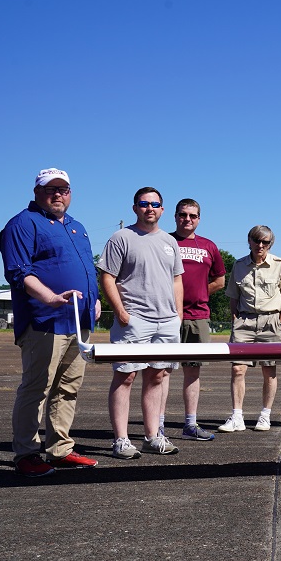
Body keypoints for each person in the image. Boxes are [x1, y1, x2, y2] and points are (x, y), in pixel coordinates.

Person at [0, 168, 101, 476]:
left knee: (68, 388)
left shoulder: (76, 226)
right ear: (37, 192)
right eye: (51, 189)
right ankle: (26, 453)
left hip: (77, 323)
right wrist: (49, 297)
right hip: (45, 320)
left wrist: (95, 301)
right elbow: (18, 272)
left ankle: (59, 449)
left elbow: (87, 270)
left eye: (64, 189)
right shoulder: (22, 224)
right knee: (37, 387)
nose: (58, 194)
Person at [98, 187, 184, 459]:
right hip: (134, 320)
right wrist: (122, 314)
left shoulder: (170, 242)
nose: (150, 208)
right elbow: (107, 277)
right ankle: (121, 440)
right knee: (125, 376)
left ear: (162, 209)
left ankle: (152, 436)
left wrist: (177, 316)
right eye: (144, 204)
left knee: (157, 376)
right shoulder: (121, 238)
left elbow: (176, 280)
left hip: (166, 321)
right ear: (135, 208)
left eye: (155, 204)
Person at [218, 226, 281, 433]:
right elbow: (233, 297)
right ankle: (237, 417)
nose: (260, 245)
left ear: (271, 244)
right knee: (237, 369)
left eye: (265, 242)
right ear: (249, 241)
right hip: (244, 322)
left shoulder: (280, 265)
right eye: (257, 241)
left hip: (271, 322)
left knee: (269, 370)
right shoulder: (239, 265)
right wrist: (236, 319)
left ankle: (265, 415)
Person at [167, 198, 226, 441]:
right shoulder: (164, 241)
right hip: (166, 316)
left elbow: (220, 280)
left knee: (193, 372)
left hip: (197, 316)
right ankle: (157, 426)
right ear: (175, 216)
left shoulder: (209, 246)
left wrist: (200, 292)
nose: (187, 219)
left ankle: (190, 424)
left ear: (199, 219)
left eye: (192, 215)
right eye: (183, 214)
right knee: (160, 372)